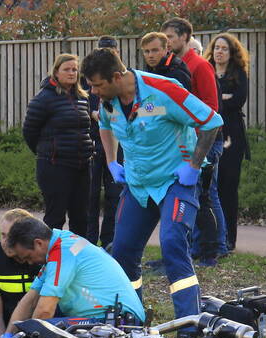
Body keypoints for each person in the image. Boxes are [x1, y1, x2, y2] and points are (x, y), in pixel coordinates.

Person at [81, 48, 223, 320]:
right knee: (122, 251)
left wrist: (193, 166)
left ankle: (189, 324)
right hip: (138, 185)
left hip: (174, 180)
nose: (95, 92)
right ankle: (133, 321)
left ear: (117, 76)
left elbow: (211, 121)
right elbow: (106, 124)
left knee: (172, 243)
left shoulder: (162, 90)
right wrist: (112, 161)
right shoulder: (109, 99)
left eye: (98, 85)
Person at [162, 18, 227, 266]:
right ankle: (190, 249)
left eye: (170, 37)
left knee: (206, 194)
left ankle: (214, 249)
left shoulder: (199, 66)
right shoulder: (172, 65)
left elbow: (212, 107)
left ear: (185, 37)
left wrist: (200, 138)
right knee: (187, 197)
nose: (166, 41)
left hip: (206, 140)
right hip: (184, 141)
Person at [5, 217, 144, 329]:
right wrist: (8, 336)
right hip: (111, 316)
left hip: (118, 322)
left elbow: (44, 311)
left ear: (38, 243)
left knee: (46, 330)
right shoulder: (62, 243)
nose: (29, 262)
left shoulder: (63, 252)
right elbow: (29, 301)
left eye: (28, 256)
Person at [22, 53, 93, 235]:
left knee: (81, 217)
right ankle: (51, 257)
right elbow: (29, 131)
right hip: (55, 166)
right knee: (55, 217)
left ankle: (79, 257)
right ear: (56, 72)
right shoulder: (44, 98)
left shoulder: (82, 97)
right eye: (66, 69)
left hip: (82, 166)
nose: (71, 73)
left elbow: (88, 128)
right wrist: (47, 152)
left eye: (75, 69)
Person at [205, 32, 250, 253]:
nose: (219, 52)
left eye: (224, 48)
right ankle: (210, 238)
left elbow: (238, 101)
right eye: (217, 48)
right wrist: (224, 98)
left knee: (228, 187)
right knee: (209, 188)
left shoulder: (238, 74)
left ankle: (229, 239)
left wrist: (219, 99)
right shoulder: (206, 72)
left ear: (231, 53)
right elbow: (205, 101)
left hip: (233, 136)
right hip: (210, 135)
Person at [0, 208, 41, 338]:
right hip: (6, 328)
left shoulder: (42, 257)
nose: (6, 242)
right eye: (3, 235)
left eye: (12, 236)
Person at [86, 37, 123, 247]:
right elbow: (84, 102)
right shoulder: (89, 79)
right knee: (91, 194)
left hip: (116, 142)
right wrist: (93, 113)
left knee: (113, 193)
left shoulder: (120, 79)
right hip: (94, 139)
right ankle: (90, 239)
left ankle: (109, 239)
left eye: (110, 51)